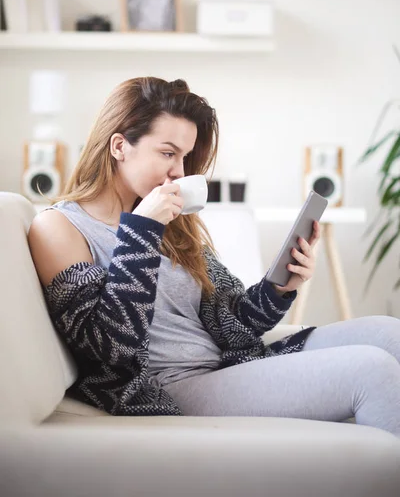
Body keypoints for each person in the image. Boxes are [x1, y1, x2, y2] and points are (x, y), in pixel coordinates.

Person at [28, 76, 400, 437]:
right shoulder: (60, 227)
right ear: (119, 146)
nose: (179, 172)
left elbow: (233, 323)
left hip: (228, 365)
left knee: (391, 335)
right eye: (168, 153)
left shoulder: (171, 225)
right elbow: (108, 350)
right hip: (172, 387)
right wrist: (140, 233)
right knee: (371, 370)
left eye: (185, 157)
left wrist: (280, 286)